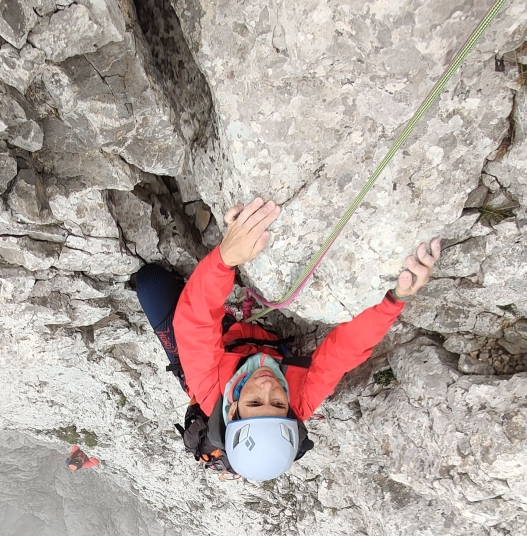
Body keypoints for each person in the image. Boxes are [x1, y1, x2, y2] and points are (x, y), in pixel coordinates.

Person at [134, 198, 441, 481]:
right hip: (258, 342)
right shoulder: (298, 405)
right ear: (289, 411)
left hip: (221, 347)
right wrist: (394, 301)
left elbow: (197, 321)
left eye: (254, 401)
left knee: (150, 283)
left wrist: (225, 258)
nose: (269, 387)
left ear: (231, 408)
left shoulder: (210, 389)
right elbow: (340, 355)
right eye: (277, 402)